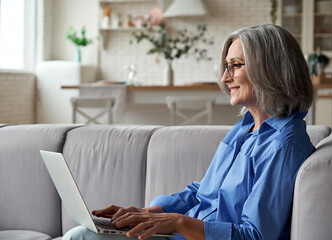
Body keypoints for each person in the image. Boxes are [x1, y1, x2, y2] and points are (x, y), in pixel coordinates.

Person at [63, 24, 315, 240]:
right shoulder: (245, 128)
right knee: (86, 232)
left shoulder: (283, 146)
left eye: (235, 65)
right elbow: (202, 192)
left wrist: (178, 222)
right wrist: (150, 212)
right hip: (178, 234)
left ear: (270, 70)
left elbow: (254, 235)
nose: (226, 78)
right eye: (226, 66)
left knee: (81, 236)